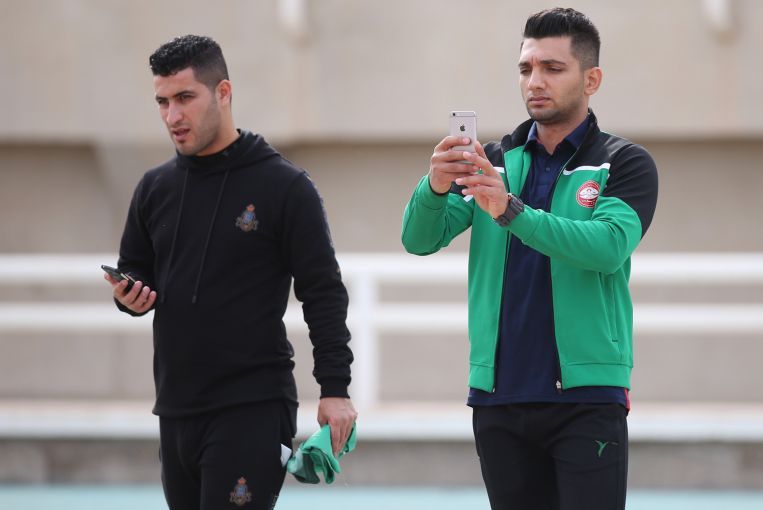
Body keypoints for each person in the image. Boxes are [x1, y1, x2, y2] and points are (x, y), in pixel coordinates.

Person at [402, 8, 658, 510]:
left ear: (591, 80)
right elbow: (419, 239)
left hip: (587, 397)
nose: (535, 81)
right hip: (499, 397)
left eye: (552, 68)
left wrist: (511, 210)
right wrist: (434, 185)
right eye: (526, 68)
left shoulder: (623, 163)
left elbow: (607, 246)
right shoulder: (493, 162)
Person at [104, 35, 357, 510]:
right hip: (176, 408)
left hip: (252, 407)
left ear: (223, 92)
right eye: (162, 102)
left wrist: (335, 389)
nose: (172, 116)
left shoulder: (285, 186)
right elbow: (136, 269)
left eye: (185, 98)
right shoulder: (154, 188)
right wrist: (129, 296)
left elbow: (324, 293)